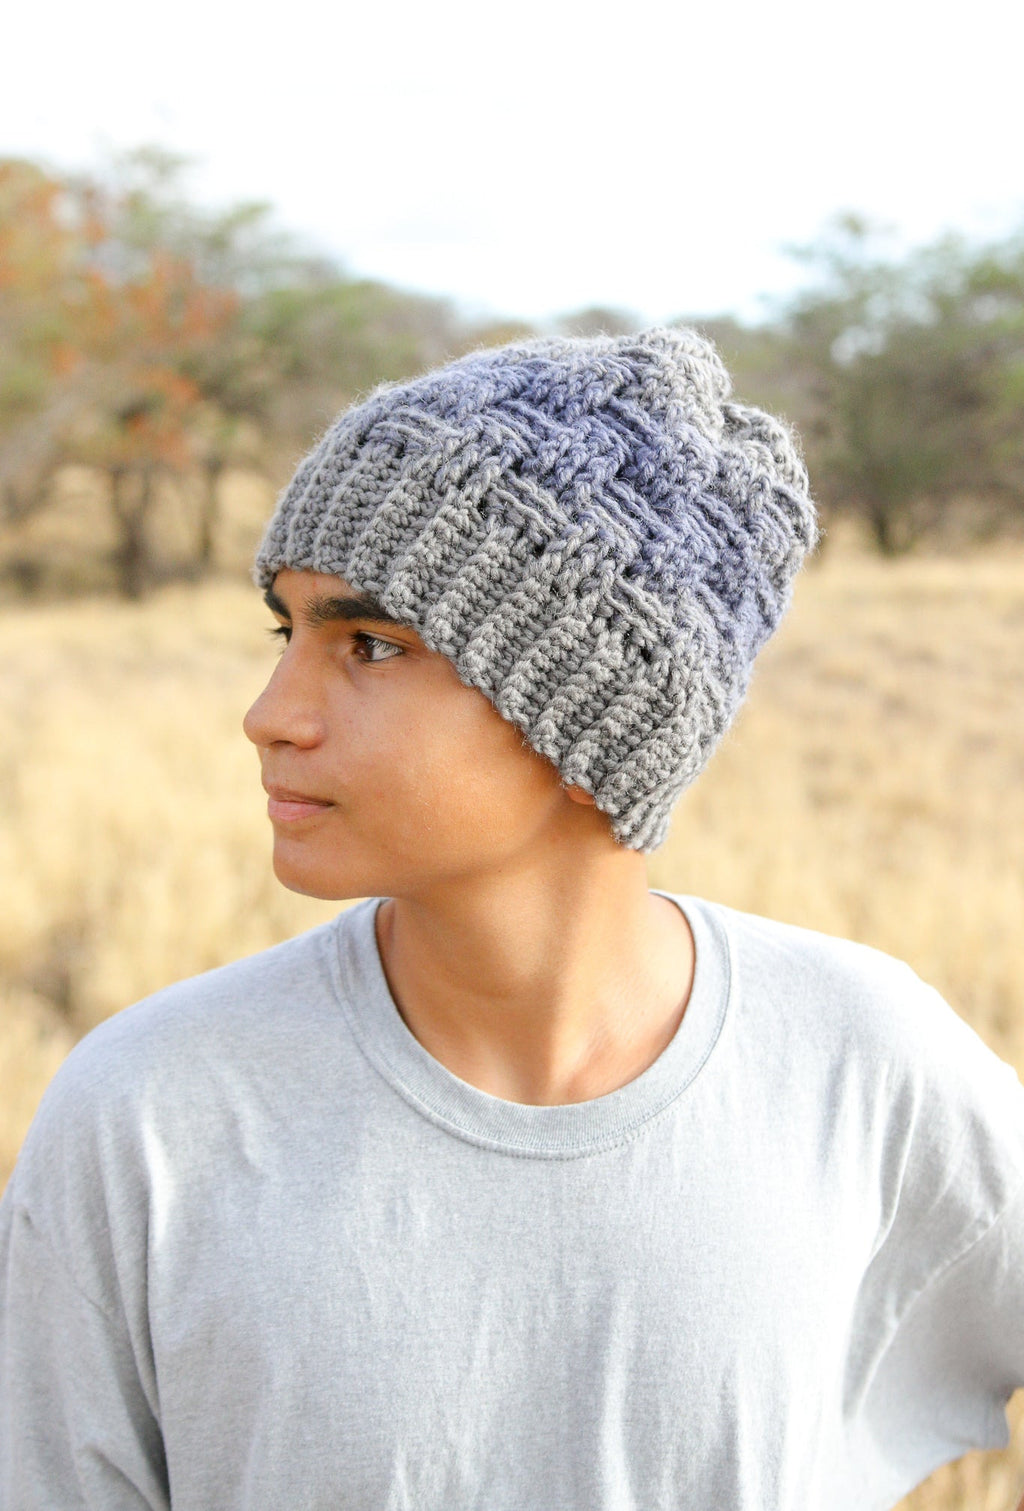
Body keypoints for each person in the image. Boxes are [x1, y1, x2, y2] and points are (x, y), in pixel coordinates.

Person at [1, 326, 1022, 1510]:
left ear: (597, 716)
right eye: (288, 632)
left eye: (370, 643)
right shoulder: (149, 1108)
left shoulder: (858, 1053)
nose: (270, 712)